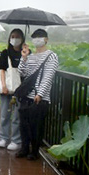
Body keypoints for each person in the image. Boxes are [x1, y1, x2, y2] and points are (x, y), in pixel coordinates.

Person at [16, 29, 59, 160]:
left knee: (36, 126)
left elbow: (48, 77)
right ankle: (24, 148)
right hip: (27, 96)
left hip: (40, 98)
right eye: (34, 37)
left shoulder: (51, 56)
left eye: (40, 37)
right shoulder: (31, 56)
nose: (37, 40)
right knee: (24, 125)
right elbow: (22, 73)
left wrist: (40, 94)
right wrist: (23, 57)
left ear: (46, 39)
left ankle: (34, 151)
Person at [0, 29, 25, 151]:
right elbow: (2, 70)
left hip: (21, 89)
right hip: (7, 88)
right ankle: (3, 138)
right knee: (4, 114)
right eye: (12, 36)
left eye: (17, 37)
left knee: (17, 116)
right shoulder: (5, 53)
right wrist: (3, 85)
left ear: (22, 39)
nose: (14, 39)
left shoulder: (26, 53)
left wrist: (25, 56)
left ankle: (16, 140)